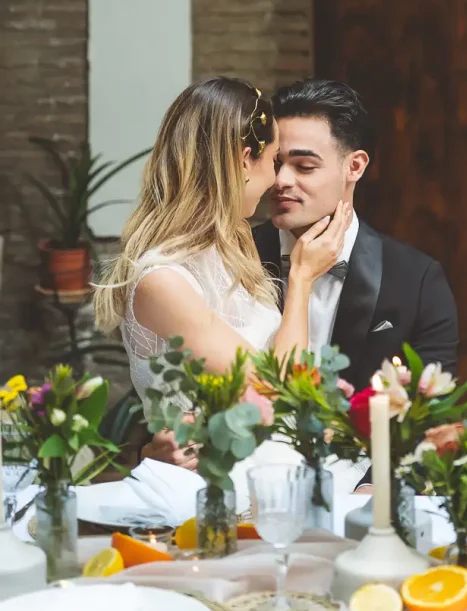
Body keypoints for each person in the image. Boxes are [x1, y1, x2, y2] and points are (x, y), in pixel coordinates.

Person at [94, 76, 351, 467]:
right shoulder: (162, 279)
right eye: (273, 161)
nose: (277, 180)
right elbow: (275, 393)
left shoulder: (233, 249)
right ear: (244, 159)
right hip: (212, 489)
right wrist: (301, 280)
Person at [253, 79, 459, 393]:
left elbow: (433, 411)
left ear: (355, 166)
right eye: (276, 163)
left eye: (304, 166)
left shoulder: (416, 280)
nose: (280, 180)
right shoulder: (238, 256)